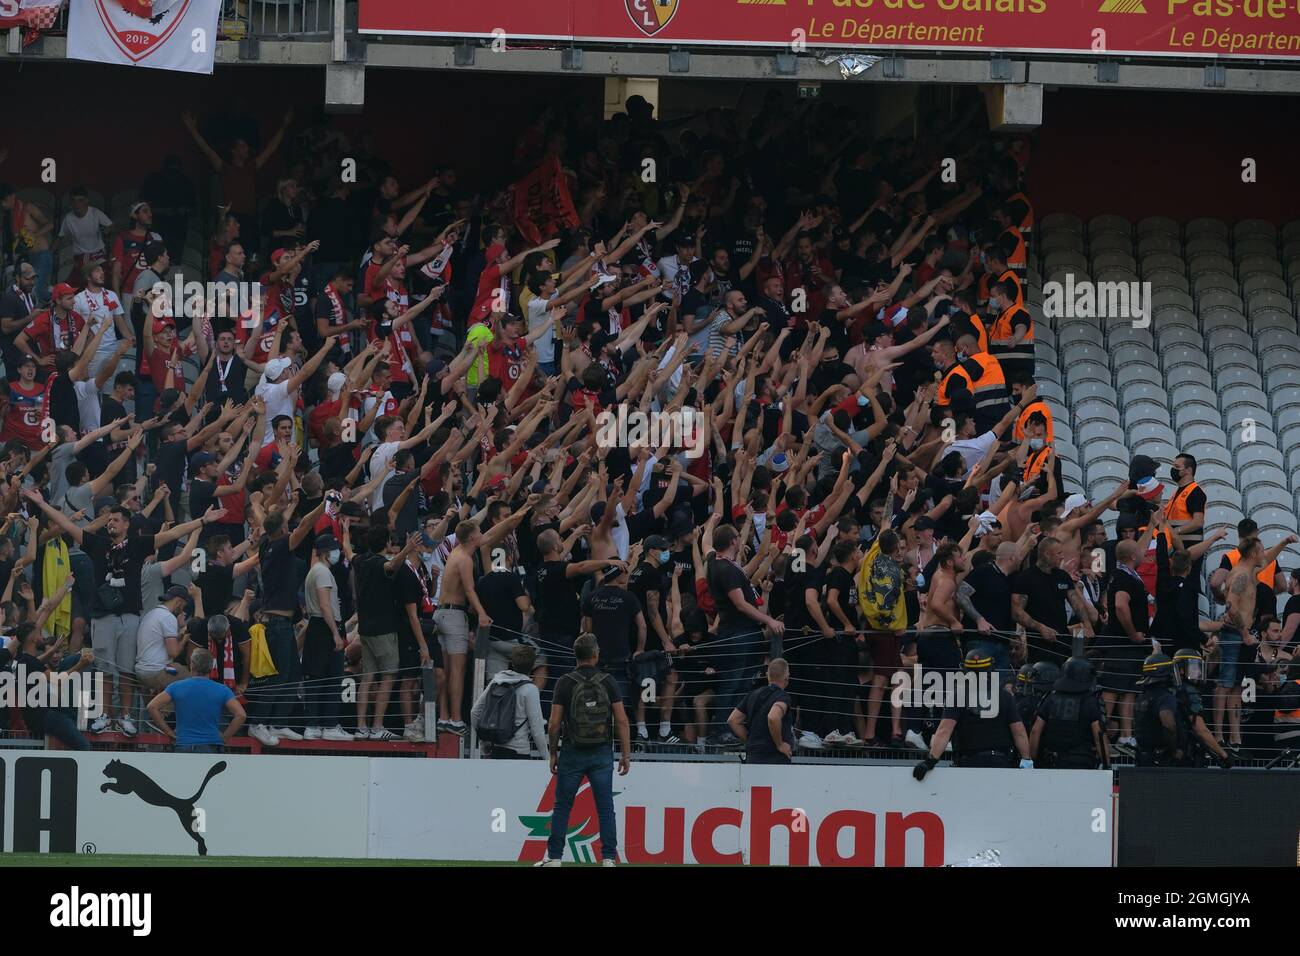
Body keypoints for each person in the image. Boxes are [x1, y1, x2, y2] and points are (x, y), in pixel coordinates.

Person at [539, 632, 631, 867]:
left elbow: (554, 723)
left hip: (572, 751)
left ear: (575, 655)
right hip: (601, 752)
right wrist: (625, 754)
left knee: (562, 806)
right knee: (605, 807)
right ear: (596, 655)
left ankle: (554, 858)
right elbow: (621, 720)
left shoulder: (565, 682)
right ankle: (609, 859)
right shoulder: (608, 681)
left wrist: (552, 752)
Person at [913, 648, 1032, 777]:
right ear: (991, 669)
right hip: (1000, 763)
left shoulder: (958, 696)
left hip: (967, 763)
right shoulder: (1005, 697)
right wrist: (1026, 760)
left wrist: (930, 761)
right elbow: (1019, 732)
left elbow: (944, 730)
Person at [147, 648, 247, 754]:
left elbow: (152, 707)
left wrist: (168, 732)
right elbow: (241, 715)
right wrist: (225, 737)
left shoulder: (176, 687)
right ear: (211, 667)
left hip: (183, 743)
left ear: (192, 665)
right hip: (212, 744)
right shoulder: (222, 690)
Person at [470, 643, 549, 759]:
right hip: (519, 751)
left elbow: (475, 712)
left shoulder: (497, 681)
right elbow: (536, 729)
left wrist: (484, 741)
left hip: (496, 748)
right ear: (532, 665)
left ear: (512, 663)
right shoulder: (530, 689)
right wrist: (546, 757)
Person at [1029, 656, 1109, 769]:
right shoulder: (1091, 701)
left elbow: (1035, 731)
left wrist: (1032, 760)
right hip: (1082, 762)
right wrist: (1106, 765)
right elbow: (1099, 735)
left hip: (1053, 762)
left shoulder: (1050, 697)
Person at [727, 657, 797, 765]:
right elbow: (773, 717)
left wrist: (751, 740)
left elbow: (733, 720)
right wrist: (779, 744)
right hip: (774, 757)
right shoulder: (782, 697)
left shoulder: (752, 695)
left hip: (753, 756)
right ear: (786, 676)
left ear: (767, 675)